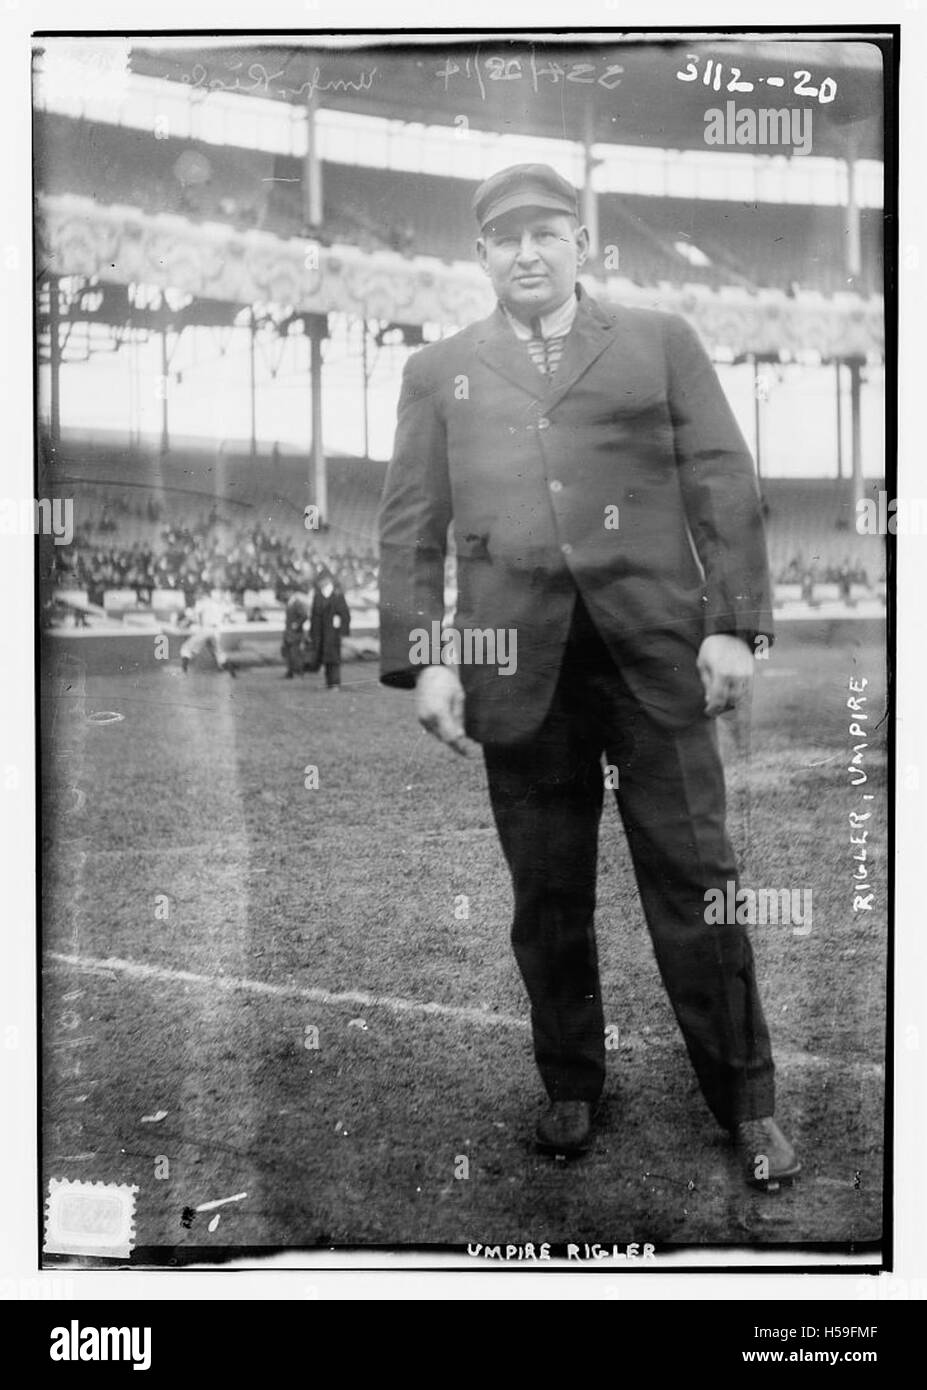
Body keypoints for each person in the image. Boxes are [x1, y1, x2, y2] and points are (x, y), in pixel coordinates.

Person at [377, 163, 799, 1190]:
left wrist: (733, 625)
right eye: (506, 238)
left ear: (581, 244)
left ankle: (748, 1100)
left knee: (702, 887)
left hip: (655, 659)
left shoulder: (660, 341)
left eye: (546, 234)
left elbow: (723, 478)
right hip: (513, 670)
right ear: (481, 256)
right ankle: (570, 1082)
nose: (528, 252)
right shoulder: (440, 370)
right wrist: (425, 658)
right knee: (546, 898)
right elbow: (409, 527)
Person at [309, 569, 351, 691]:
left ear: (328, 580)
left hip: (333, 634)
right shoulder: (318, 596)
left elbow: (345, 615)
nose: (320, 583)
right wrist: (312, 633)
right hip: (320, 633)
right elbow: (313, 616)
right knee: (325, 659)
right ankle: (329, 683)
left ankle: (335, 684)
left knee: (333, 659)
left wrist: (342, 632)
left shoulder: (337, 595)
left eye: (322, 580)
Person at [180, 588, 237, 676]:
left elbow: (193, 614)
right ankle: (231, 672)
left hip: (206, 629)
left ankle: (184, 671)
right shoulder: (221, 604)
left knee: (186, 648)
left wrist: (184, 622)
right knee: (219, 654)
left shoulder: (205, 602)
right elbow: (229, 612)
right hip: (216, 631)